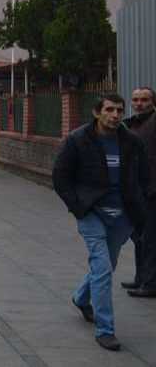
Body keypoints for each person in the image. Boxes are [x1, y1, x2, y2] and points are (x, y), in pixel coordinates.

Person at [54, 94, 148, 351]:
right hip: (92, 213)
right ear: (97, 112)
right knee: (103, 267)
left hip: (123, 216)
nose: (115, 115)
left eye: (119, 110)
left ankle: (80, 297)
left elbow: (144, 176)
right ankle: (105, 329)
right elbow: (61, 177)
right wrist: (77, 207)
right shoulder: (78, 140)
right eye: (109, 110)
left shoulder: (131, 142)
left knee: (107, 264)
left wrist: (141, 204)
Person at [122, 87, 156, 296]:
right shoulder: (130, 124)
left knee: (151, 239)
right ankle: (140, 278)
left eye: (144, 99)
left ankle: (151, 284)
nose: (139, 103)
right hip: (134, 190)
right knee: (138, 237)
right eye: (135, 99)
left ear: (152, 102)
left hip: (152, 190)